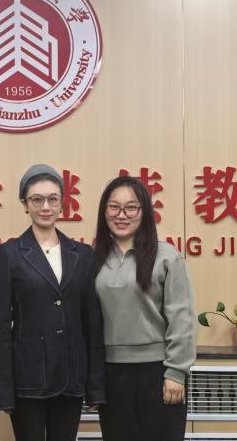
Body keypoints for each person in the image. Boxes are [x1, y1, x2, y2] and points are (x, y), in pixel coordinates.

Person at [0, 164, 106, 441]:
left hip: (71, 373)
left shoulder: (82, 254)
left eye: (53, 199)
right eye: (37, 200)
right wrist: (4, 390)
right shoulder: (10, 254)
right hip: (27, 375)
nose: (45, 207)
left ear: (62, 203)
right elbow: (0, 325)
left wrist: (95, 387)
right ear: (25, 204)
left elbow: (92, 322)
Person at [92, 176, 195, 441]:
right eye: (114, 207)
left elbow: (182, 318)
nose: (121, 215)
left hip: (158, 372)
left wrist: (176, 372)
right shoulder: (93, 258)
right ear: (104, 211)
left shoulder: (167, 256)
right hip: (111, 374)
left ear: (144, 211)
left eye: (131, 207)